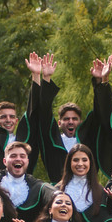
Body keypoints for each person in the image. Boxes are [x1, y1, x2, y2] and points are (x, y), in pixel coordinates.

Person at [0, 52, 39, 179]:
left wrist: (36, 74)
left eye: (11, 117)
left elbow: (34, 112)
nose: (8, 120)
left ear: (16, 121)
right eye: (3, 117)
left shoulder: (23, 140)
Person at [34, 52, 84, 184]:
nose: (70, 122)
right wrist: (46, 78)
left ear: (80, 122)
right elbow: (44, 112)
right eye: (66, 119)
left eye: (74, 119)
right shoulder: (53, 142)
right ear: (59, 123)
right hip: (58, 189)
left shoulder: (86, 142)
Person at [0, 141, 54, 222]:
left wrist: (57, 195)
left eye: (22, 156)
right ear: (5, 161)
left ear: (27, 161)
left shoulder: (35, 184)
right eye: (13, 156)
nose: (18, 159)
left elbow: (48, 190)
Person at [56, 144, 112, 222]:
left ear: (90, 162)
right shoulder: (58, 189)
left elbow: (106, 219)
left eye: (84, 160)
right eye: (76, 160)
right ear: (69, 163)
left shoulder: (99, 191)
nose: (80, 164)